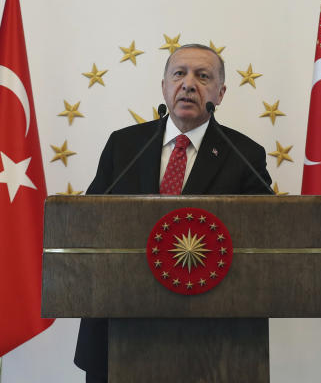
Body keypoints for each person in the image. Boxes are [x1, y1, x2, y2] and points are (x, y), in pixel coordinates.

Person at [74, 44, 274, 382]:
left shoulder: (244, 155)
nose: (189, 84)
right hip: (121, 324)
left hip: (213, 338)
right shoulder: (124, 146)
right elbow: (92, 223)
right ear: (165, 86)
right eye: (179, 73)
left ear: (220, 93)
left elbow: (264, 239)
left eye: (203, 76)